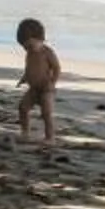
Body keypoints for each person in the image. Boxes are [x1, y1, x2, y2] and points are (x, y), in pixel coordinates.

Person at [15, 17, 61, 145]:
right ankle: (25, 132)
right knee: (23, 108)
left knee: (46, 113)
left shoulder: (47, 52)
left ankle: (50, 137)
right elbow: (29, 68)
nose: (27, 49)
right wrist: (24, 78)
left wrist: (53, 82)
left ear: (39, 39)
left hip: (46, 89)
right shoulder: (29, 53)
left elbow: (56, 68)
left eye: (30, 45)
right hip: (34, 88)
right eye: (24, 47)